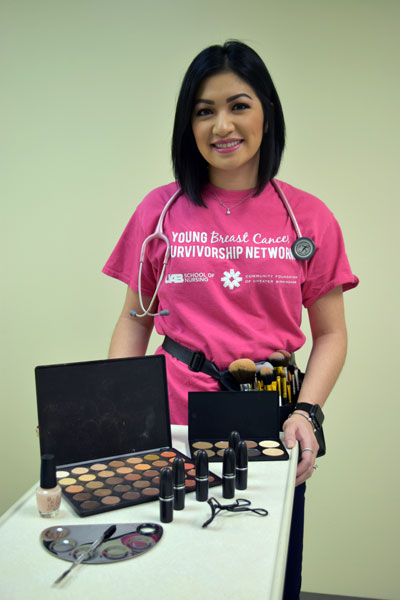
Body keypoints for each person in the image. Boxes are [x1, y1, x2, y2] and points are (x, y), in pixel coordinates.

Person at [102, 40, 358, 599]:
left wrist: (308, 413)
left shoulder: (307, 216)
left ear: (267, 110)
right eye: (204, 110)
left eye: (238, 105)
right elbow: (134, 321)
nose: (222, 125)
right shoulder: (160, 210)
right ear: (187, 125)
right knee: (168, 567)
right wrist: (118, 411)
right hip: (172, 418)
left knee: (263, 570)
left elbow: (332, 334)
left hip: (267, 417)